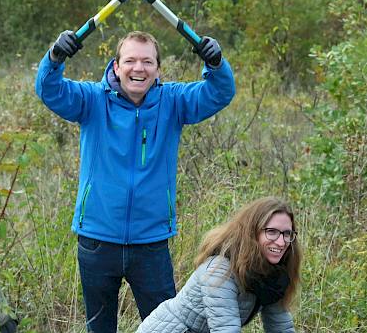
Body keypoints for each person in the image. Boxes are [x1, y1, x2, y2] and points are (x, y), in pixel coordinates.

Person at [35, 29, 236, 332]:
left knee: (168, 327)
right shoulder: (91, 100)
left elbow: (220, 92)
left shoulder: (174, 102)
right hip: (96, 240)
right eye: (130, 61)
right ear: (116, 66)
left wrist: (216, 64)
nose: (138, 69)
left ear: (158, 69)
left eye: (147, 62)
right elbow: (50, 90)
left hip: (151, 242)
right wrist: (54, 57)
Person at [136, 196, 302, 332]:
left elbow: (281, 328)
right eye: (271, 232)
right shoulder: (220, 271)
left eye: (287, 234)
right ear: (252, 232)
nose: (281, 242)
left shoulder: (272, 275)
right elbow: (226, 329)